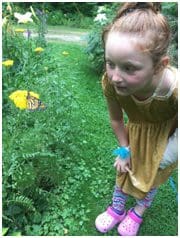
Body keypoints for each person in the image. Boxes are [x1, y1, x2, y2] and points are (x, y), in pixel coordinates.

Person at [95, 2, 178, 236]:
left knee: (152, 177)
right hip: (136, 133)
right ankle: (117, 209)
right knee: (124, 169)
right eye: (110, 64)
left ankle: (138, 211)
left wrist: (167, 154)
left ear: (159, 66)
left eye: (129, 68)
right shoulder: (110, 82)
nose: (116, 77)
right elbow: (116, 119)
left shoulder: (174, 90)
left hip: (166, 140)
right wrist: (125, 149)